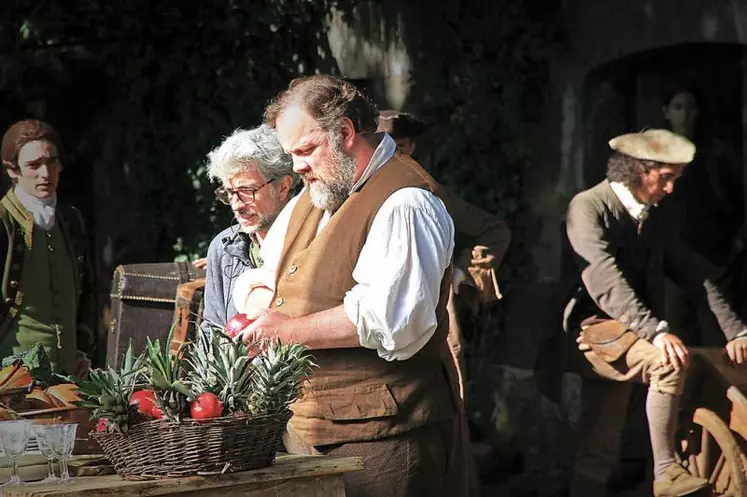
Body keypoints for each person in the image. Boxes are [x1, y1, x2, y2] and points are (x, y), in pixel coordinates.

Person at [236, 74, 468, 497]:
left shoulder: (406, 201)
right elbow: (264, 272)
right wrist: (260, 301)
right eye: (292, 155)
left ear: (343, 132)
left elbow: (391, 319)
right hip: (307, 428)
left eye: (305, 150)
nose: (298, 166)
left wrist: (287, 330)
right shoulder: (314, 195)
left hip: (382, 439)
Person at [562, 128, 747, 497]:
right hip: (594, 332)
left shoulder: (654, 216)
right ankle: (667, 472)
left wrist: (737, 330)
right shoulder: (587, 207)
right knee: (668, 363)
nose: (671, 189)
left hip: (631, 334)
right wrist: (657, 331)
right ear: (637, 171)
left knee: (600, 446)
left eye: (675, 179)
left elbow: (693, 274)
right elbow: (604, 278)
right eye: (665, 178)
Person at [0, 119, 95, 376]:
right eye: (33, 165)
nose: (45, 173)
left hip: (69, 375)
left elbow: (87, 293)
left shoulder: (70, 219)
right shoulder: (3, 221)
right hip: (11, 376)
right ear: (12, 170)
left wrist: (83, 350)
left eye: (51, 162)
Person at [660, 81, 745, 345]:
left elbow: (739, 198)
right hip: (671, 264)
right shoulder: (656, 154)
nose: (684, 115)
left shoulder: (716, 154)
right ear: (666, 112)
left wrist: (737, 243)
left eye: (691, 107)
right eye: (677, 107)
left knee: (719, 340)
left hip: (716, 260)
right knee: (676, 338)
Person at [200, 125, 299, 330]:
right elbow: (211, 331)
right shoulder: (223, 248)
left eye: (246, 191)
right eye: (229, 192)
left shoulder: (314, 240)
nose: (236, 204)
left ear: (283, 187)